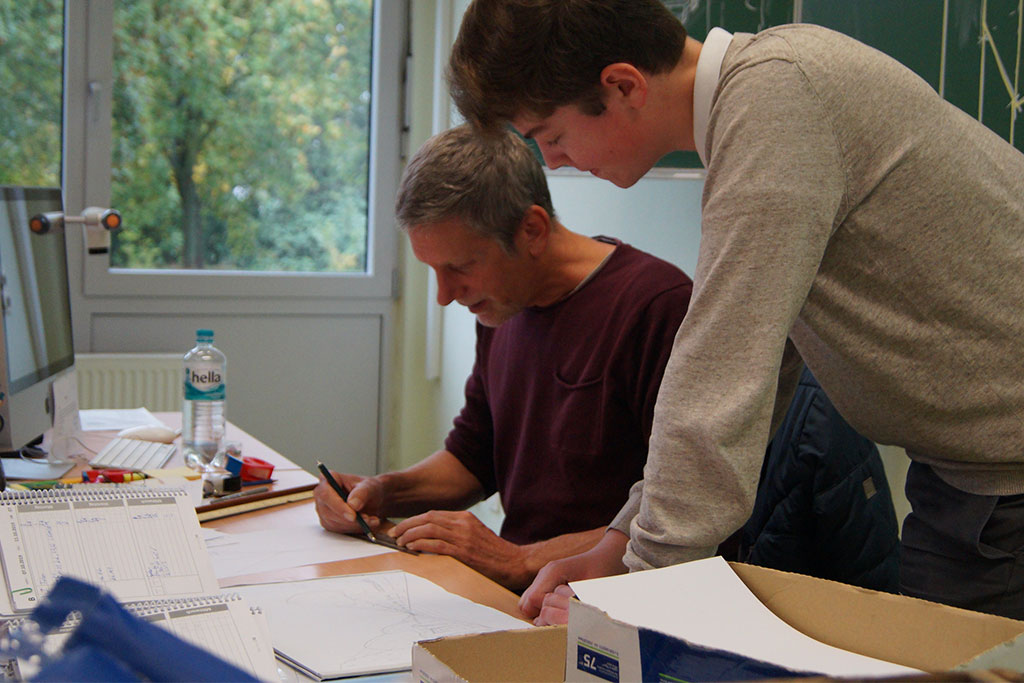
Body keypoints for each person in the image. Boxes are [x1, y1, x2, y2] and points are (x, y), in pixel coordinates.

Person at [448, 1, 1024, 620]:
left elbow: (721, 372)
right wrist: (620, 543)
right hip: (965, 479)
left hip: (1003, 479)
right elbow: (762, 359)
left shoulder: (777, 103)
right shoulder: (761, 106)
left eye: (550, 136)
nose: (552, 163)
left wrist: (639, 588)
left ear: (622, 86)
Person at [314, 123, 693, 591]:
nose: (445, 295)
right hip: (516, 589)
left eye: (460, 268)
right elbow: (474, 458)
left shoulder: (658, 307)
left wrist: (521, 558)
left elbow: (682, 512)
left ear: (531, 230)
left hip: (611, 603)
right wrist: (384, 492)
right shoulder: (504, 305)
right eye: (434, 271)